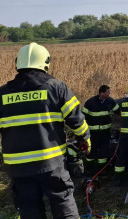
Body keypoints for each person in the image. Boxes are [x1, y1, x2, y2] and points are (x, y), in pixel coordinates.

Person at [0, 42, 91, 219]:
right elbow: (77, 121)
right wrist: (84, 140)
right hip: (51, 164)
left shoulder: (2, 94)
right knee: (63, 203)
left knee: (29, 209)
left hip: (18, 168)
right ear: (46, 62)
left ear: (18, 62)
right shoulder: (56, 88)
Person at [82, 84, 119, 176]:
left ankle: (102, 171)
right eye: (107, 92)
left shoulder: (110, 101)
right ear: (101, 93)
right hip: (93, 133)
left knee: (103, 152)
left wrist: (120, 124)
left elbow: (119, 112)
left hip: (105, 132)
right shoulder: (90, 102)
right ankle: (89, 170)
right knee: (91, 151)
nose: (109, 93)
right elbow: (82, 117)